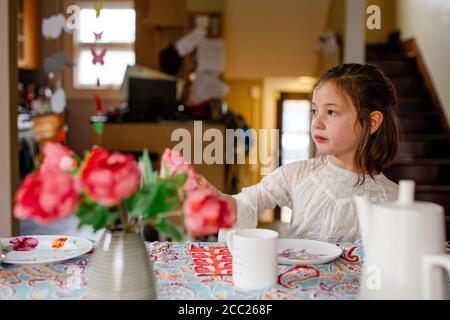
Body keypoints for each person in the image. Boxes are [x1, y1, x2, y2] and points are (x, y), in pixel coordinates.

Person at [198, 63, 400, 242]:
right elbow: (247, 203)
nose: (317, 122)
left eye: (331, 112)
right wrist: (217, 199)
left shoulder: (394, 198)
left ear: (372, 122)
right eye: (314, 111)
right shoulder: (296, 174)